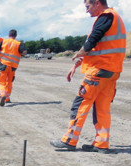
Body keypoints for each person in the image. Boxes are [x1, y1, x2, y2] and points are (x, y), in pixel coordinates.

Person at [50, 0, 126, 153]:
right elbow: (101, 48)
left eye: (87, 7)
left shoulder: (106, 16)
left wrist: (78, 53)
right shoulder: (115, 18)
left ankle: (69, 140)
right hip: (111, 72)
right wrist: (77, 64)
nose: (86, 11)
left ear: (97, 3)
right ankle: (101, 144)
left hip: (98, 71)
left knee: (80, 104)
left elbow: (92, 42)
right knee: (102, 108)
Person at [0, 29, 27, 106]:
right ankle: (7, 98)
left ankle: (3, 94)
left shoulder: (4, 41)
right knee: (9, 82)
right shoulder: (19, 43)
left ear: (9, 35)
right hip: (13, 67)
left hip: (4, 65)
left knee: (1, 81)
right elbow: (24, 52)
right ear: (16, 36)